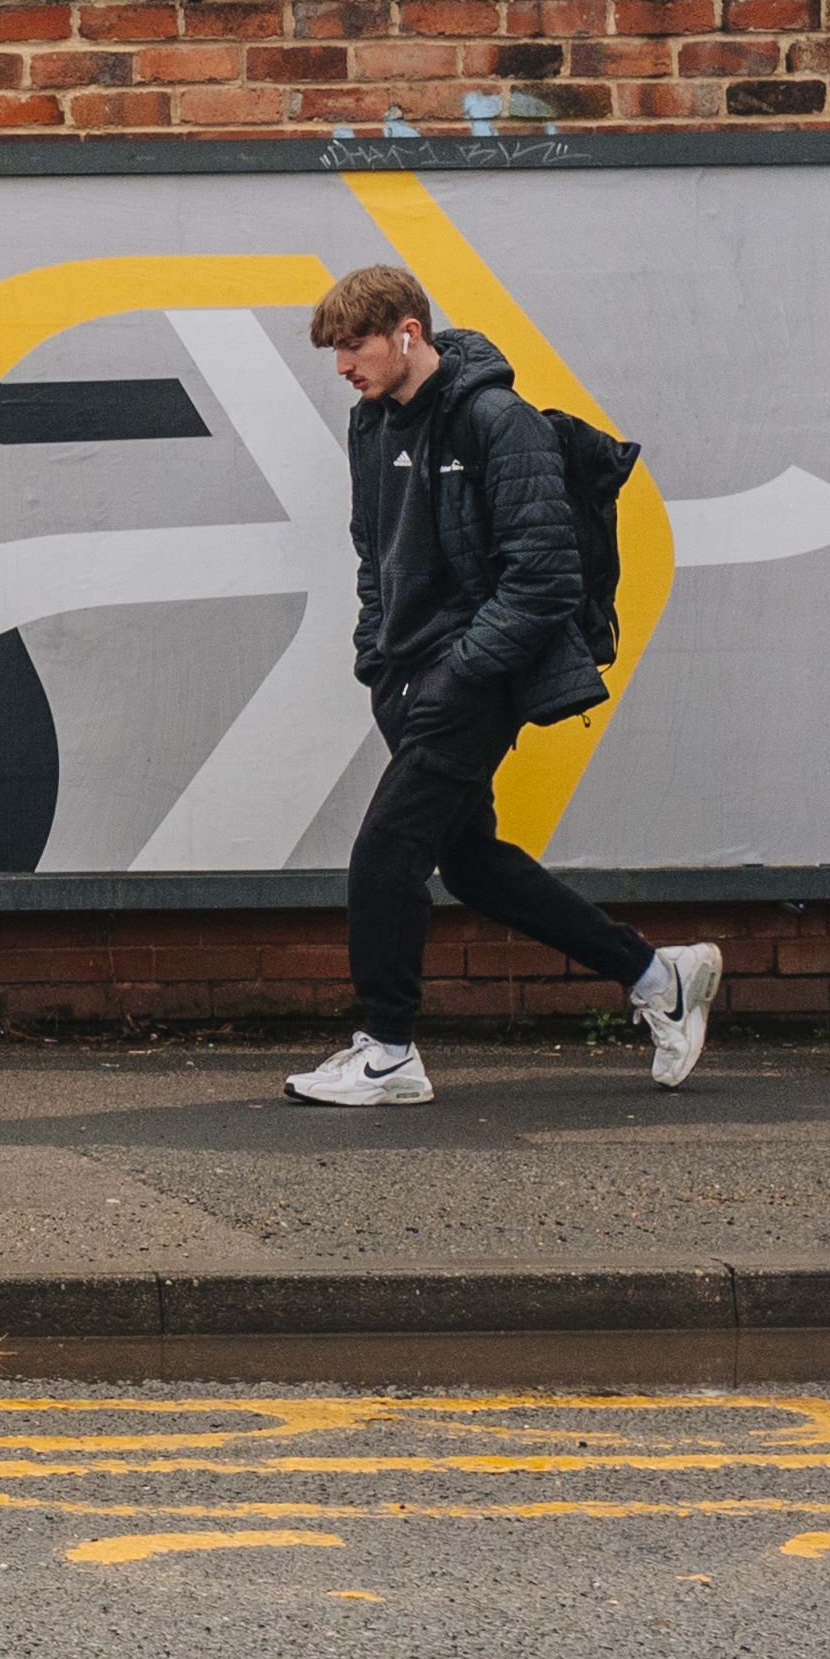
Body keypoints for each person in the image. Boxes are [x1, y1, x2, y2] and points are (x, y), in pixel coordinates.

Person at [283, 262, 719, 1108]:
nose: (343, 367)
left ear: (407, 332)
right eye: (336, 351)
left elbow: (544, 578)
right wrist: (378, 653)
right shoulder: (370, 426)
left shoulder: (497, 420)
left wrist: (460, 675)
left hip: (472, 678)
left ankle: (388, 1048)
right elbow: (372, 551)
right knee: (471, 864)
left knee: (386, 852)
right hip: (407, 676)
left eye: (353, 346)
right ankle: (656, 974)